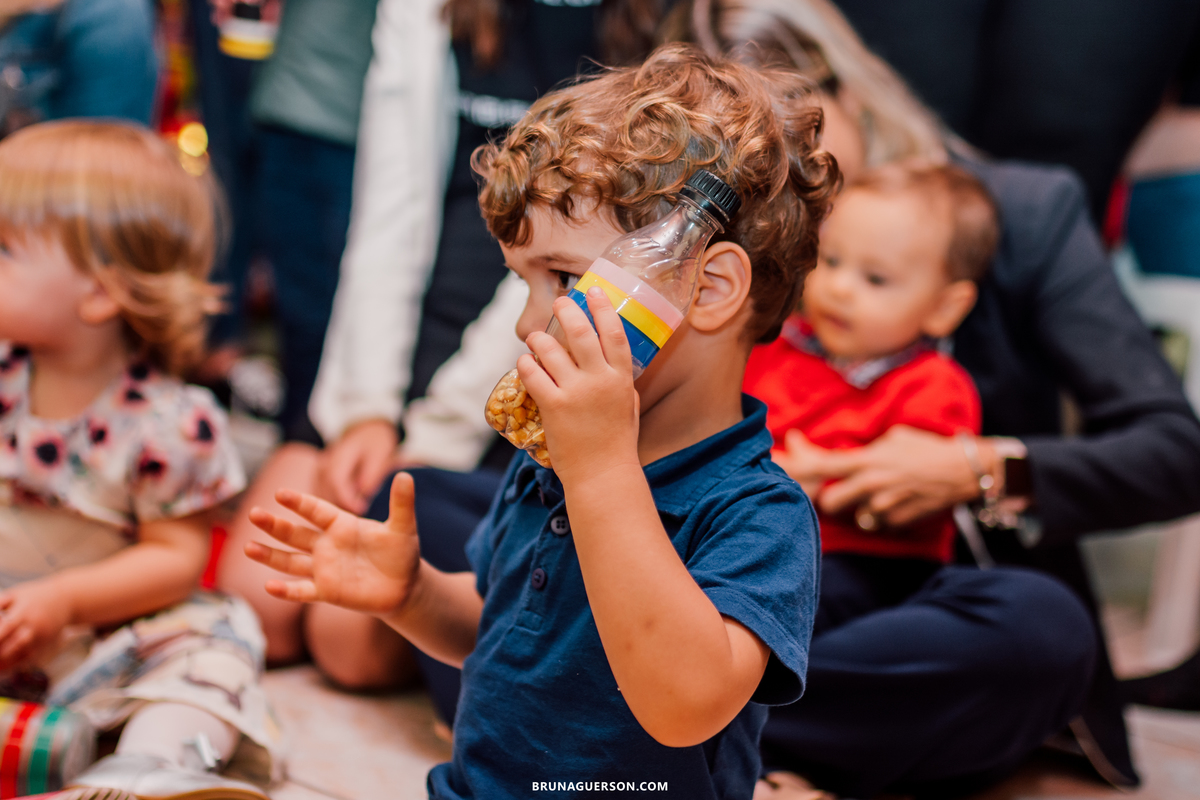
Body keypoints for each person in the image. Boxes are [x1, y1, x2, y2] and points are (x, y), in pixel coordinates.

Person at [364, 0, 1200, 793]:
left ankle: (693, 707)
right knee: (424, 501)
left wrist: (972, 467)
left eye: (761, 136)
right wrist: (415, 586)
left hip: (867, 597)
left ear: (839, 91)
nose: (732, 179)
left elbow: (1173, 450)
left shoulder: (1019, 213)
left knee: (1039, 630)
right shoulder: (653, 279)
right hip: (646, 553)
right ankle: (664, 703)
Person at [244, 43, 834, 799]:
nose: (527, 324)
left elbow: (685, 704)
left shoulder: (757, 514)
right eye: (523, 282)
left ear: (708, 287)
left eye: (563, 278)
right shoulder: (547, 460)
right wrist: (411, 595)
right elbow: (498, 630)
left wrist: (601, 470)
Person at [216, 0, 678, 691]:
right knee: (256, 601)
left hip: (515, 360)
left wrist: (432, 437)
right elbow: (387, 208)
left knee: (347, 644)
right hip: (402, 342)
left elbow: (572, 281)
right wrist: (365, 412)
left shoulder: (658, 27)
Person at [0, 121, 280, 799]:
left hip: (103, 645)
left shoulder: (168, 422)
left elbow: (175, 559)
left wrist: (65, 599)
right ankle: (45, 746)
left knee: (216, 646)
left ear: (99, 294)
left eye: (4, 249)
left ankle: (150, 764)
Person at [745, 163, 998, 569]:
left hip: (864, 565)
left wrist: (812, 478)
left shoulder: (934, 387)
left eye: (876, 279)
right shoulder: (772, 346)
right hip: (749, 545)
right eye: (830, 260)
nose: (840, 287)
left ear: (943, 308)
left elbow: (906, 489)